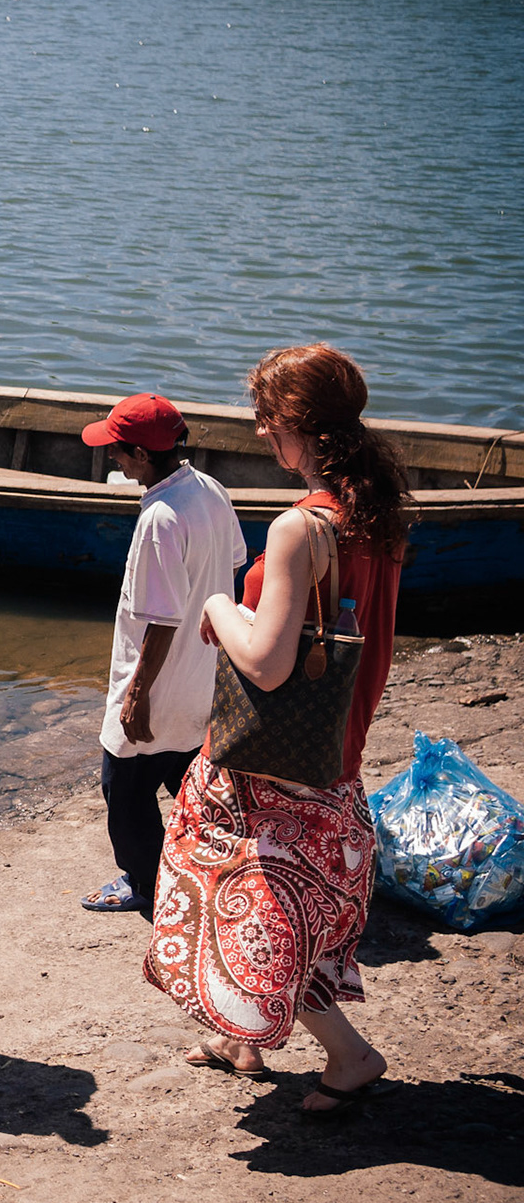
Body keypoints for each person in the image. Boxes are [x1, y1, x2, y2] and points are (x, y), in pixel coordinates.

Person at [144, 343, 408, 1115]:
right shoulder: (377, 515)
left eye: (268, 419)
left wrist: (220, 607)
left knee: (251, 905)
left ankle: (351, 1055)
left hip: (271, 764)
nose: (262, 434)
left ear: (300, 426)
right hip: (335, 749)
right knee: (265, 902)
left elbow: (262, 662)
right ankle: (241, 1037)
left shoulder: (300, 527)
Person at [77, 394, 245, 914]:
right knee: (188, 780)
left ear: (143, 455)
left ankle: (144, 883)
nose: (114, 460)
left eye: (119, 451)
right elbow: (233, 564)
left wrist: (136, 696)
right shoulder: (209, 490)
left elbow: (162, 618)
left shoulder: (160, 517)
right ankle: (213, 864)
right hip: (202, 676)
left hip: (159, 683)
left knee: (123, 791)